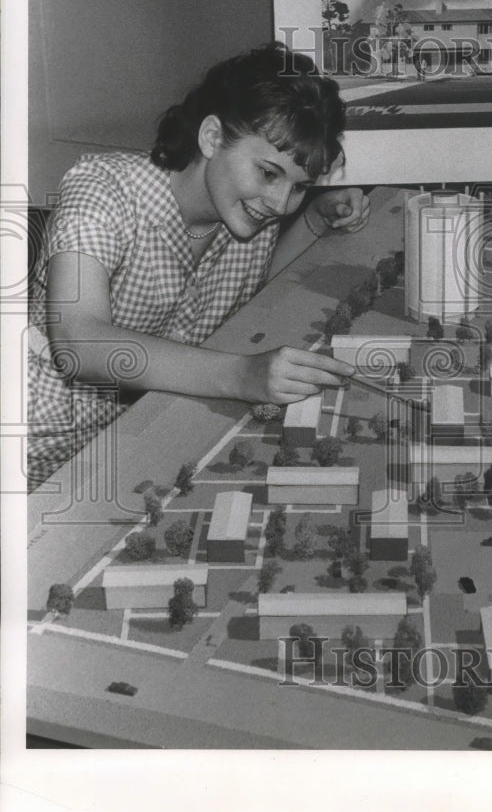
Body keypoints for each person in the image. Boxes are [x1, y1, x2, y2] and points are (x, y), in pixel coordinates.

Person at [27, 42, 370, 490]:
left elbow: (249, 299)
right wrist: (242, 375)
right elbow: (80, 343)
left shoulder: (246, 213)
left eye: (299, 187)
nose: (280, 201)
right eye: (269, 173)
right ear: (211, 137)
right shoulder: (102, 189)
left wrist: (313, 219)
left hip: (118, 442)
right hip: (30, 444)